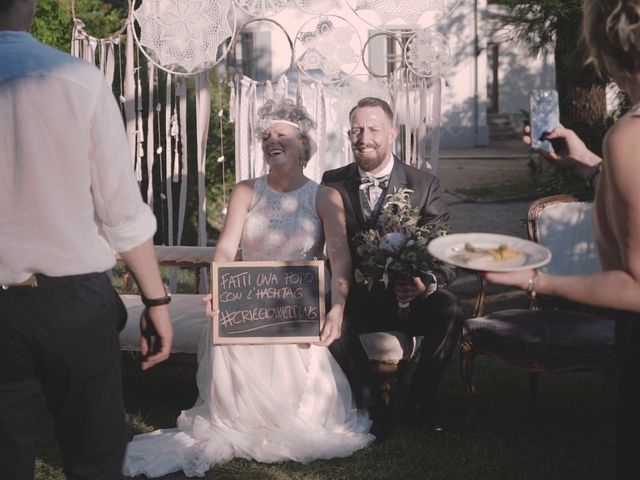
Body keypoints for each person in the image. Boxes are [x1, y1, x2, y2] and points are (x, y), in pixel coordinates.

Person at [123, 98, 374, 478]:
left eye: (282, 135)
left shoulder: (323, 197)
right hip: (248, 306)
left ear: (304, 144)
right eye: (267, 136)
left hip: (296, 313)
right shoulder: (246, 191)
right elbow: (226, 247)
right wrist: (220, 286)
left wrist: (336, 308)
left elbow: (340, 260)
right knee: (228, 340)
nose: (272, 140)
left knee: (307, 422)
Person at [0, 1, 174, 479]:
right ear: (30, 6)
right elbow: (119, 209)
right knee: (95, 456)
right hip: (72, 303)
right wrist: (155, 299)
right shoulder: (76, 79)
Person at [485, 1, 640, 477]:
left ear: (609, 48)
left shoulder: (630, 137)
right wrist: (589, 164)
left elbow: (636, 285)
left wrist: (534, 281)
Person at [321, 97, 464, 434]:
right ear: (348, 134)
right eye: (357, 129)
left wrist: (423, 283)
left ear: (392, 133)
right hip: (358, 297)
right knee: (329, 317)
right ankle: (371, 408)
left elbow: (445, 252)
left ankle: (419, 402)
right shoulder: (333, 181)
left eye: (373, 129)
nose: (364, 137)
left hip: (410, 299)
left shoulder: (423, 184)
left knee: (452, 311)